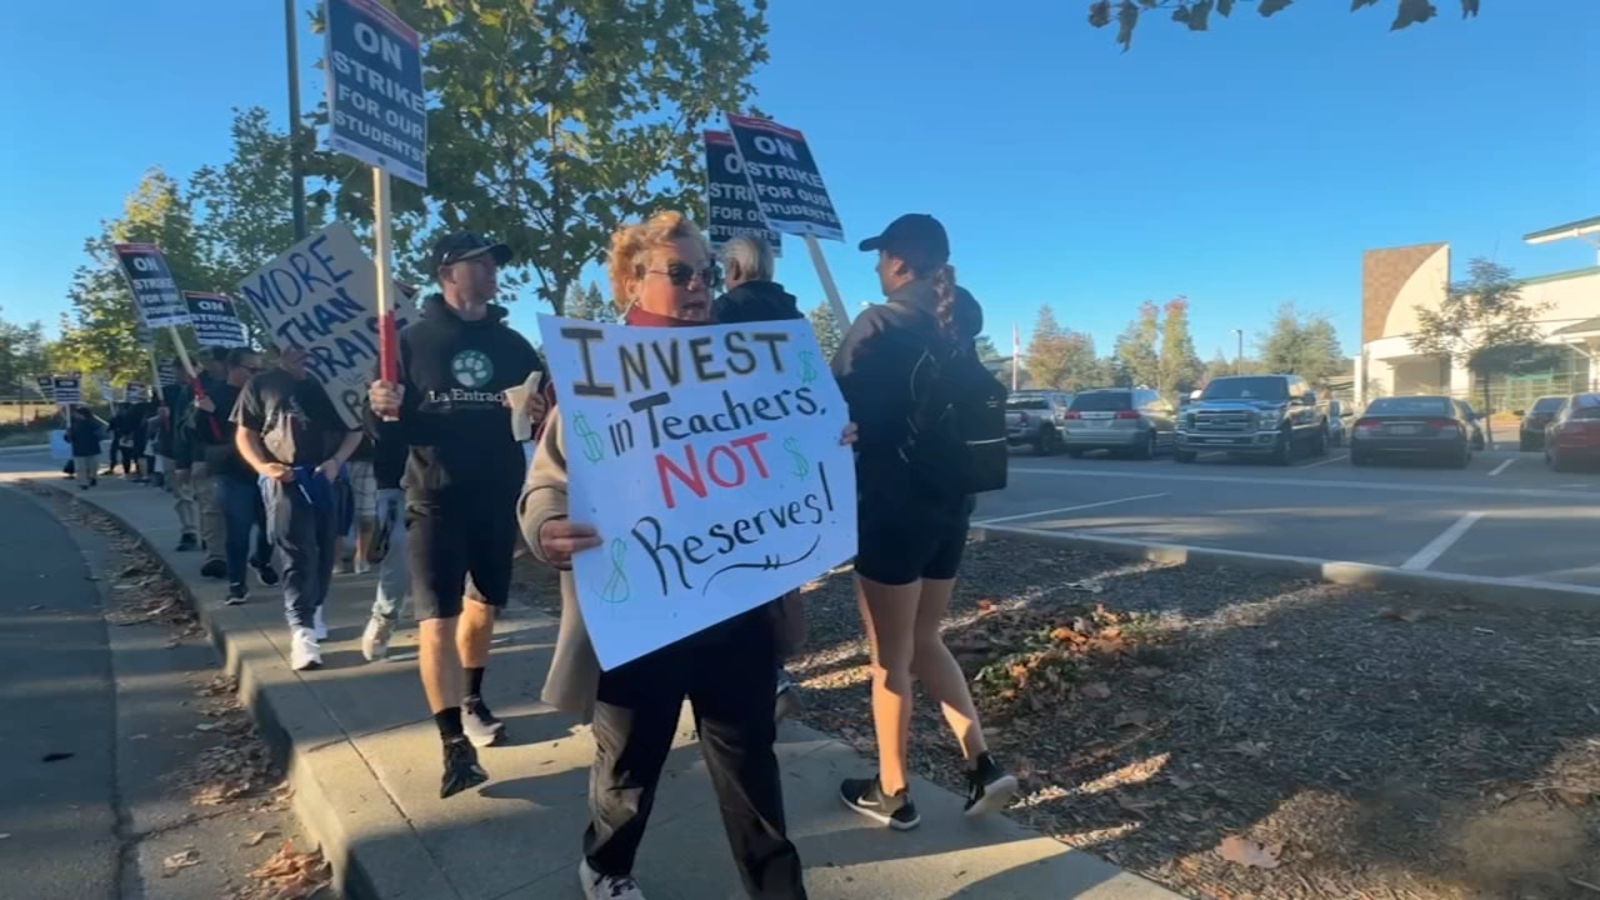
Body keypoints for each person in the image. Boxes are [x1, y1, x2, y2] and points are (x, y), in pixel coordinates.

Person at [522, 211, 852, 900]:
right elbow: (546, 483)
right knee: (629, 769)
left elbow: (790, 458)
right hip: (637, 615)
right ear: (631, 281)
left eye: (704, 272)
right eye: (680, 273)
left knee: (750, 766)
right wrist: (549, 525)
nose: (700, 285)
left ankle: (778, 892)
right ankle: (607, 865)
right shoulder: (597, 376)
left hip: (738, 606)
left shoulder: (750, 368)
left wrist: (829, 436)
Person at [832, 214, 1018, 831]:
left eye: (881, 257)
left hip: (890, 510)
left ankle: (893, 791)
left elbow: (829, 405)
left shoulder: (880, 324)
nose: (879, 269)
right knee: (927, 636)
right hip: (951, 508)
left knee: (889, 657)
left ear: (900, 263)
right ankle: (983, 764)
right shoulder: (957, 326)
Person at [367, 232, 549, 799]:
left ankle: (471, 697)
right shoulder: (407, 342)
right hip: (435, 494)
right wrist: (379, 410)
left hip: (498, 493)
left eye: (496, 261)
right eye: (482, 262)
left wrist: (540, 408)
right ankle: (453, 745)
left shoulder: (515, 345)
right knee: (436, 617)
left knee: (484, 605)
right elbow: (384, 427)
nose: (493, 269)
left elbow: (540, 408)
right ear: (448, 271)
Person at [711, 236, 807, 722]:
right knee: (777, 565)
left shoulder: (720, 315)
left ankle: (762, 673)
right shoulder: (795, 319)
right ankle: (776, 665)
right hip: (785, 460)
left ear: (733, 269)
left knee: (733, 563)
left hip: (731, 459)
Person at [234, 345, 364, 670]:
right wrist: (263, 467)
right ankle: (301, 631)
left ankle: (315, 607)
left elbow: (356, 429)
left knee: (324, 547)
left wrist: (337, 461)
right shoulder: (262, 383)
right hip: (284, 476)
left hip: (327, 475)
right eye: (291, 349)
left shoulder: (335, 382)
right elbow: (245, 434)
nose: (298, 354)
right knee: (295, 550)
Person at [196, 348, 280, 604]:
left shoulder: (265, 394)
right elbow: (206, 436)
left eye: (259, 369)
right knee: (238, 527)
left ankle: (261, 559)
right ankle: (237, 583)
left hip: (264, 468)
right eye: (251, 369)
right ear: (232, 368)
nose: (256, 374)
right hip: (232, 471)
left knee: (271, 527)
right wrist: (203, 413)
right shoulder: (215, 396)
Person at [188, 348, 232, 579]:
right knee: (212, 507)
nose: (208, 365)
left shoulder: (254, 386)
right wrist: (193, 460)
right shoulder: (197, 389)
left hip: (249, 456)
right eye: (203, 360)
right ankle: (217, 556)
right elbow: (189, 428)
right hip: (212, 455)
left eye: (211, 360)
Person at [67, 405, 106, 490]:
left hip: (91, 448)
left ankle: (92, 478)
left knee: (92, 467)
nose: (75, 415)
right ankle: (83, 482)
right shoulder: (74, 424)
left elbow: (101, 433)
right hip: (80, 449)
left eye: (77, 414)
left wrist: (97, 437)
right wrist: (68, 435)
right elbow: (68, 438)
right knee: (81, 467)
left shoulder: (93, 423)